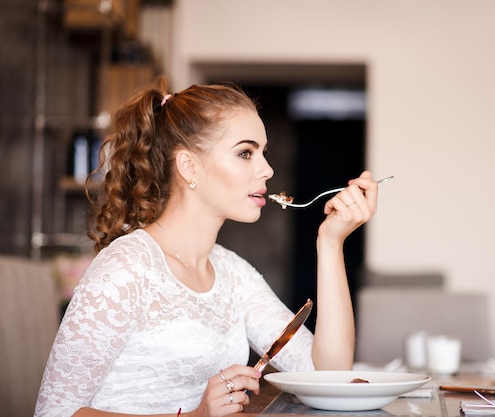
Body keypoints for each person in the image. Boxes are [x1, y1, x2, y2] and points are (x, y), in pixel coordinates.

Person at [35, 76, 379, 417]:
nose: (268, 169)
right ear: (188, 166)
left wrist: (331, 242)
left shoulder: (233, 274)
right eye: (246, 153)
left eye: (263, 153)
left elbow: (328, 374)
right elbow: (53, 412)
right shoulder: (126, 268)